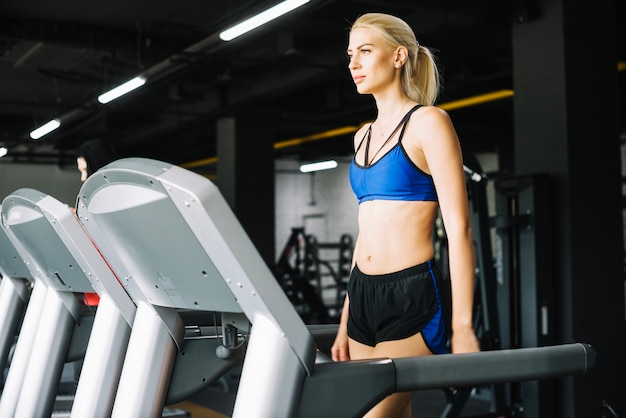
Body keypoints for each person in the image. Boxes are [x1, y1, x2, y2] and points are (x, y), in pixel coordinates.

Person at [330, 13, 480, 418]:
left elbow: (460, 230)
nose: (353, 64)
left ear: (398, 57)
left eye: (365, 51)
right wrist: (346, 317)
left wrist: (463, 327)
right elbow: (365, 234)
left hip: (410, 294)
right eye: (349, 55)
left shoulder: (428, 123)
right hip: (362, 295)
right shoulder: (362, 135)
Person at [74, 138, 120, 306]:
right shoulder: (91, 204)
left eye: (86, 170)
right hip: (97, 297)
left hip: (114, 299)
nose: (83, 177)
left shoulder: (118, 201)